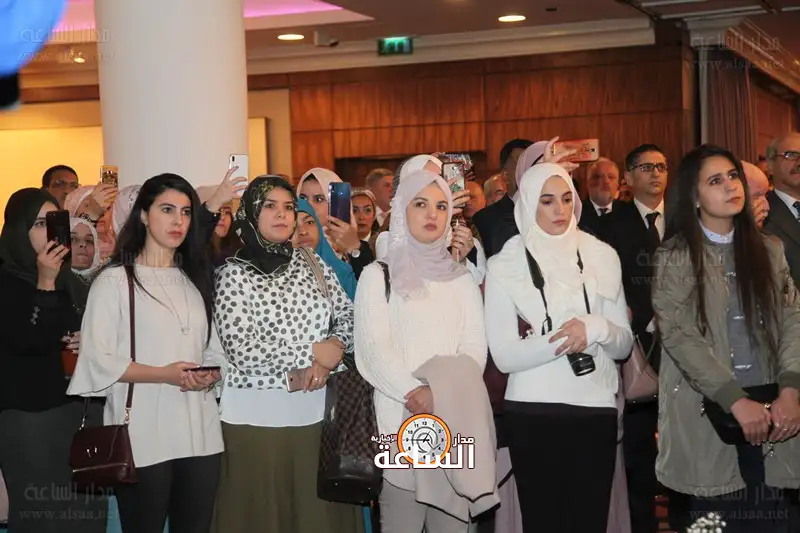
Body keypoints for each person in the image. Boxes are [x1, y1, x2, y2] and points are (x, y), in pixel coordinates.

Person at [652, 144, 800, 532]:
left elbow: (793, 320)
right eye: (715, 180)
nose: (731, 186)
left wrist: (791, 389)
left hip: (772, 412)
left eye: (733, 176)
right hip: (710, 415)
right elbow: (680, 336)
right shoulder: (676, 257)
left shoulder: (769, 249)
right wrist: (735, 399)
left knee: (772, 520)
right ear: (694, 196)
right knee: (712, 523)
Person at [67, 174, 226, 533]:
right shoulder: (114, 281)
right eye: (167, 210)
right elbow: (96, 358)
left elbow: (213, 347)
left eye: (186, 212)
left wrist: (210, 374)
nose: (178, 221)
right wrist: (163, 374)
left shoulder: (194, 278)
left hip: (200, 432)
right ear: (143, 214)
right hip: (142, 432)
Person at [484, 163, 633, 533]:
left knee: (590, 523)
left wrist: (594, 327)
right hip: (532, 411)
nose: (560, 210)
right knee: (543, 523)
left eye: (567, 199)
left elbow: (623, 345)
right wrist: (568, 338)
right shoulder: (505, 264)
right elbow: (504, 355)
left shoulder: (602, 255)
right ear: (528, 204)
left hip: (596, 408)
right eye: (547, 201)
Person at [212, 176, 362, 533]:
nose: (282, 215)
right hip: (258, 420)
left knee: (317, 518)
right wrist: (314, 352)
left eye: (289, 207)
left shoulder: (311, 262)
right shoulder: (233, 274)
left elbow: (348, 316)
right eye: (270, 206)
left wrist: (335, 348)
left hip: (318, 416)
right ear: (251, 213)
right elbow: (243, 349)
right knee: (264, 517)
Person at [354, 169, 488, 533]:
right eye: (420, 204)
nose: (432, 214)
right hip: (399, 421)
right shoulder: (377, 275)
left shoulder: (460, 278)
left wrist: (439, 392)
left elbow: (475, 349)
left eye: (441, 206)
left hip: (453, 420)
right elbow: (373, 351)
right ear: (401, 210)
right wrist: (416, 393)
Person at [0, 188, 106, 533]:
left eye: (53, 221)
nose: (48, 231)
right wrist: (44, 281)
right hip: (30, 418)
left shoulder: (67, 279)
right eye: (39, 223)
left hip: (78, 411)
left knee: (86, 513)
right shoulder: (8, 281)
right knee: (42, 514)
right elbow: (27, 342)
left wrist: (86, 340)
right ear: (19, 230)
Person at [599, 143, 669, 533]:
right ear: (627, 178)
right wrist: (645, 318)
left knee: (686, 450)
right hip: (637, 353)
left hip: (685, 354)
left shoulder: (685, 220)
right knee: (638, 457)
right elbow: (608, 286)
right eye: (646, 167)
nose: (656, 174)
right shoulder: (612, 225)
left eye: (661, 166)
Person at [297, 168, 374, 278]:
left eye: (319, 199)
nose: (309, 205)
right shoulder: (293, 242)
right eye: (303, 198)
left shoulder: (357, 247)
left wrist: (354, 248)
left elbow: (369, 282)